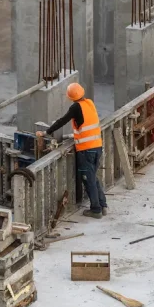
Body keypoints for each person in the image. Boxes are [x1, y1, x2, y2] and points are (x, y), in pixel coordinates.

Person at [40, 83, 107, 219]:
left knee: (88, 179)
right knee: (93, 177)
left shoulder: (76, 107)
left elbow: (62, 121)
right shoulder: (89, 103)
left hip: (86, 150)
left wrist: (46, 132)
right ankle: (103, 205)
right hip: (97, 146)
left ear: (70, 97)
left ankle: (96, 210)